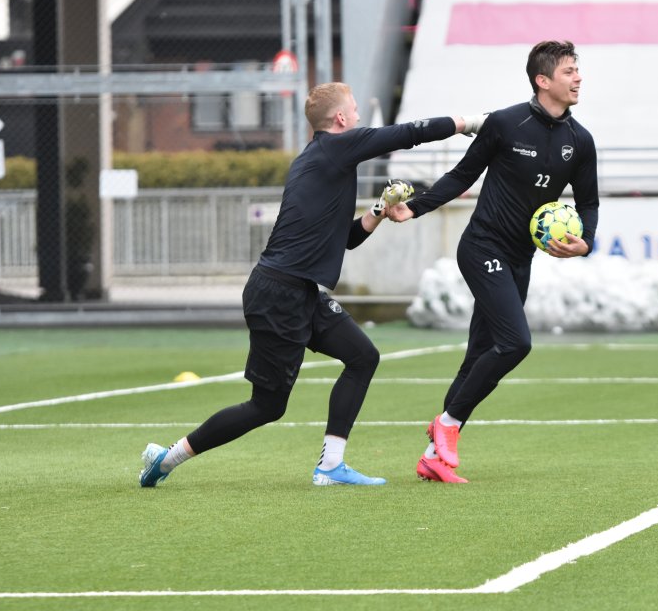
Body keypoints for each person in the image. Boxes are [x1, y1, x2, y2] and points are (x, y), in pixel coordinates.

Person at [139, 83, 483, 488]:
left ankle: (331, 466)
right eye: (355, 110)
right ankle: (168, 458)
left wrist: (378, 210)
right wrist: (469, 123)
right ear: (341, 118)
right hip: (279, 294)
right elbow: (409, 133)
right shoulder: (336, 147)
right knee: (267, 406)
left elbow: (346, 239)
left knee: (363, 357)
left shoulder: (323, 158)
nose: (359, 117)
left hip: (299, 292)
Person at [387, 40, 599, 484]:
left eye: (577, 70)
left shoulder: (580, 140)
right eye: (568, 71)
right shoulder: (506, 123)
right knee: (515, 343)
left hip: (521, 258)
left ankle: (433, 457)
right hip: (482, 248)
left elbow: (588, 203)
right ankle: (447, 424)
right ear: (543, 81)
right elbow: (462, 175)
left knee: (479, 356)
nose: (578, 78)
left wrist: (587, 243)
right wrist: (416, 208)